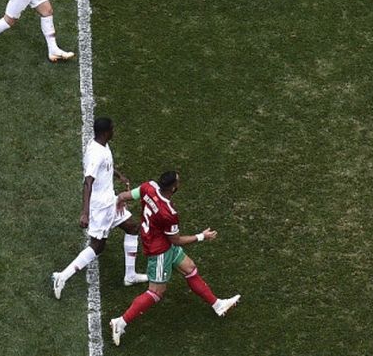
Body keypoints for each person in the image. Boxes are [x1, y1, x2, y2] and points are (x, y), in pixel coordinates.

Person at [109, 171, 240, 346]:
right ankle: (120, 322)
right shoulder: (168, 213)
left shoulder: (149, 187)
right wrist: (202, 236)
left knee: (189, 268)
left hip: (162, 242)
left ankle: (218, 305)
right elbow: (176, 240)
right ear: (173, 187)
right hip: (160, 250)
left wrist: (119, 200)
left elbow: (127, 195)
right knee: (156, 292)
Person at [52, 117, 147, 299]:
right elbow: (88, 182)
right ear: (105, 132)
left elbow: (107, 165)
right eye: (112, 129)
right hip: (101, 207)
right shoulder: (96, 154)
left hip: (110, 201)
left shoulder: (102, 145)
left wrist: (119, 175)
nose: (114, 131)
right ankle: (62, 277)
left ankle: (130, 275)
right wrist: (85, 213)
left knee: (133, 227)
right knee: (97, 246)